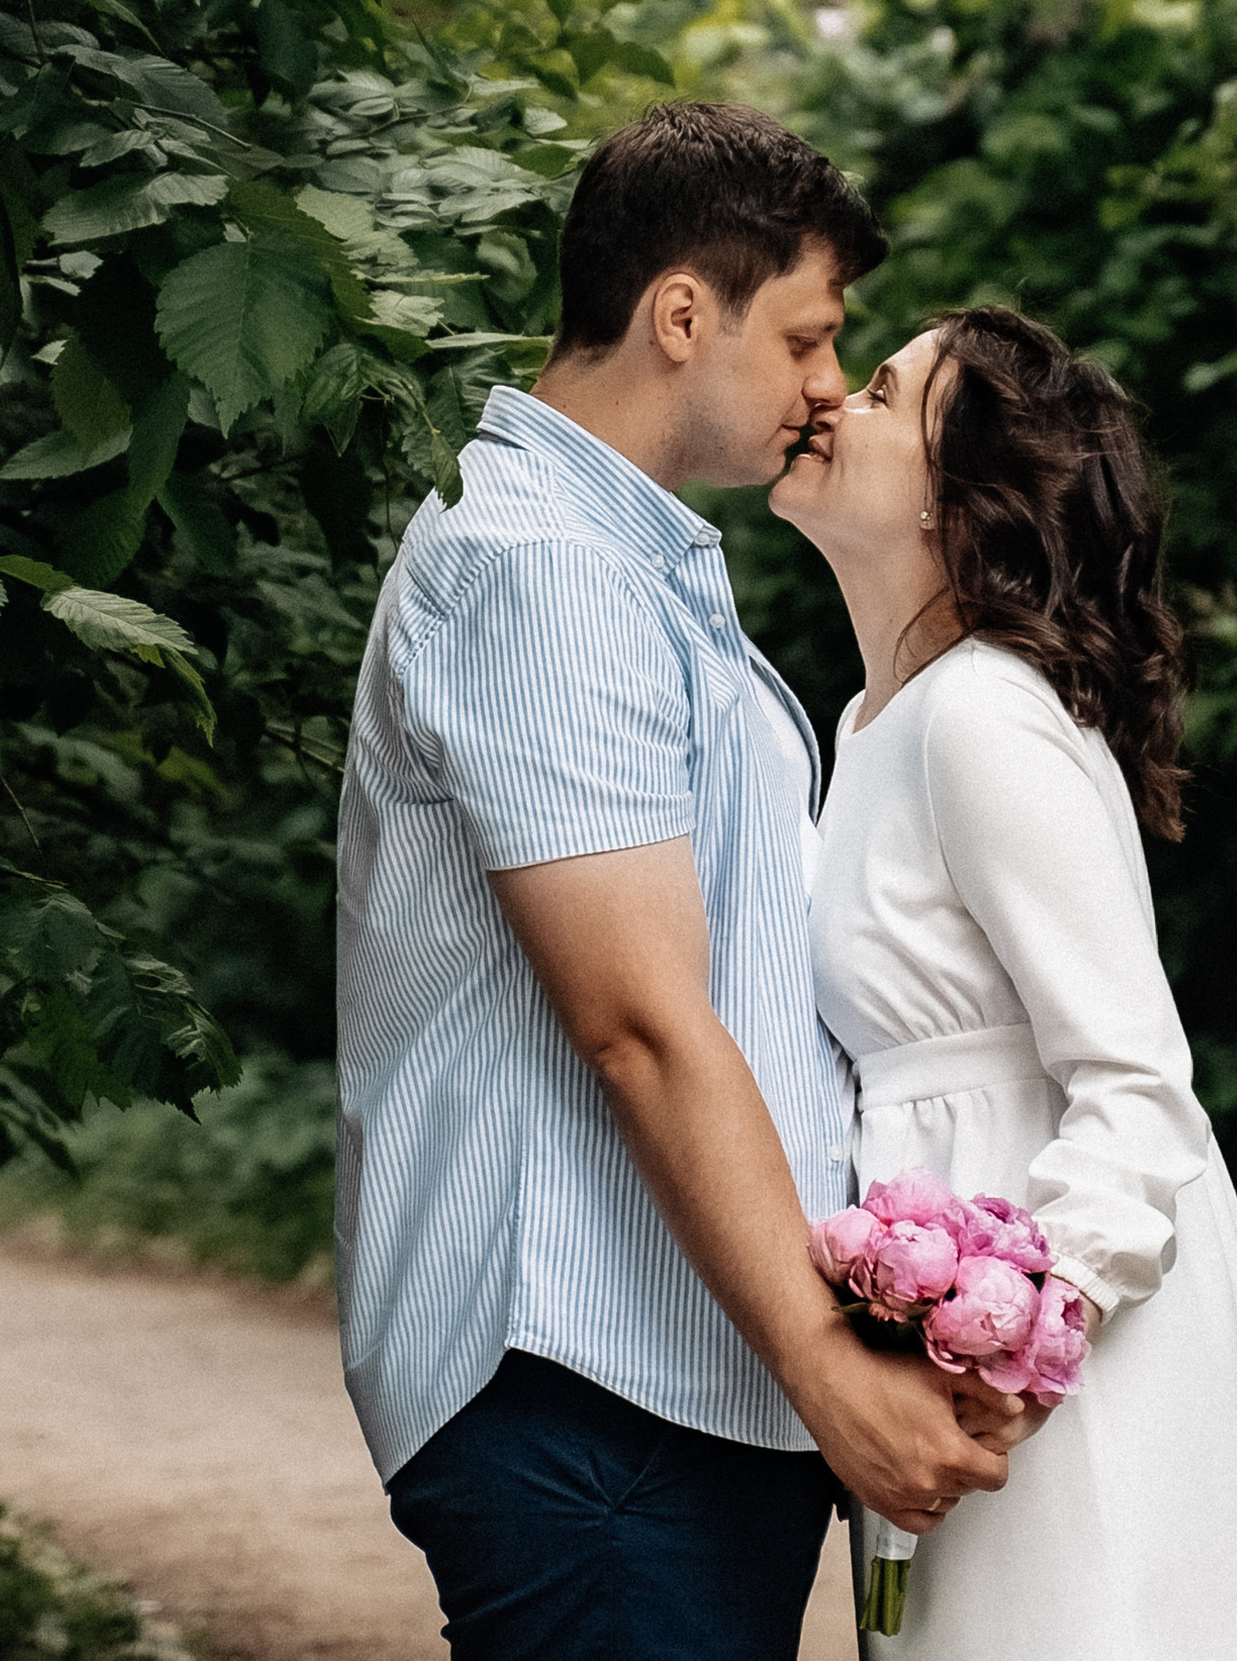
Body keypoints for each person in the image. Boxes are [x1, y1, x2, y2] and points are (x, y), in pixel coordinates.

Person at [335, 100, 1010, 1661]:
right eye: (808, 338)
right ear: (682, 314)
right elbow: (638, 1020)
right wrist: (826, 1366)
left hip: (675, 1371)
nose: (830, 384)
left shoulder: (633, 565)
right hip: (589, 1384)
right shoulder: (543, 570)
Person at [770, 301, 1237, 1661]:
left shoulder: (983, 715)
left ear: (954, 503)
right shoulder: (870, 723)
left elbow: (1135, 1078)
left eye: (887, 392)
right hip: (941, 1314)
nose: (833, 398)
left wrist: (1033, 1321)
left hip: (1067, 1327)